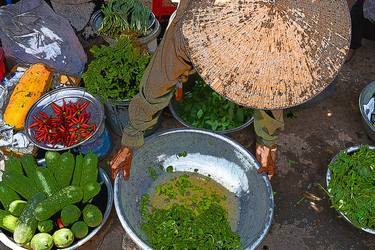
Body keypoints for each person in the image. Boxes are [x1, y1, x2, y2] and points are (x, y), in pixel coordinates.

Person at [110, 0, 350, 181]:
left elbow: (275, 82)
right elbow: (157, 82)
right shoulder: (191, 30)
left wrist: (268, 141)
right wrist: (131, 138)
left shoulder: (292, 34)